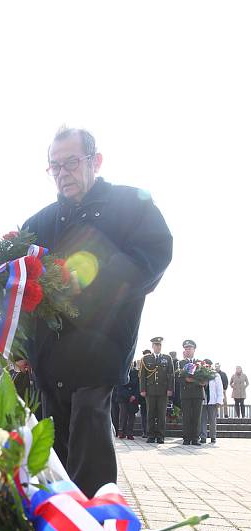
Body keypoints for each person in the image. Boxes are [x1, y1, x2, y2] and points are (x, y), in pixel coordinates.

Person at [21, 126, 172, 496]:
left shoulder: (131, 205)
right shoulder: (37, 223)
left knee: (89, 422)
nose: (62, 173)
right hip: (50, 352)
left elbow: (153, 256)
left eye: (71, 162)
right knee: (52, 442)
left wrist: (89, 278)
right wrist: (22, 347)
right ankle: (57, 523)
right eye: (54, 166)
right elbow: (19, 286)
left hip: (100, 346)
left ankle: (97, 524)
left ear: (96, 161)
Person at [139, 336, 174, 444]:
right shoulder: (146, 359)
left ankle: (160, 436)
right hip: (150, 390)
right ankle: (150, 435)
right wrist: (142, 389)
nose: (158, 347)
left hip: (163, 391)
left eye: (159, 345)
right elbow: (142, 375)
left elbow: (171, 375)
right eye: (156, 345)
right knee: (150, 413)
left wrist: (170, 389)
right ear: (152, 346)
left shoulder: (167, 358)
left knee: (161, 414)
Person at [179, 340, 204, 445]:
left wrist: (199, 381)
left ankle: (195, 438)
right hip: (186, 394)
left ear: (194, 350)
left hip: (198, 394)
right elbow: (179, 378)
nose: (188, 350)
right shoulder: (181, 363)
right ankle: (186, 438)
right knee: (186, 416)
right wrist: (189, 380)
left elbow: (204, 377)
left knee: (196, 417)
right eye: (186, 348)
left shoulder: (200, 363)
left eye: (190, 348)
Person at [199, 359, 223, 443]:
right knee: (203, 420)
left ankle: (213, 436)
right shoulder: (200, 375)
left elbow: (219, 388)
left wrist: (219, 401)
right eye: (205, 366)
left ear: (210, 366)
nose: (206, 367)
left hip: (213, 401)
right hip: (203, 401)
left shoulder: (215, 375)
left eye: (208, 365)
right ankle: (203, 437)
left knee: (212, 420)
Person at [116, 365, 140, 439]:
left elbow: (138, 386)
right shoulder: (121, 371)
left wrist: (134, 396)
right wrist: (129, 396)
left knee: (132, 415)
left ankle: (130, 433)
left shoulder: (136, 372)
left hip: (133, 397)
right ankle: (121, 432)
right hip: (123, 397)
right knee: (123, 415)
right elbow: (120, 385)